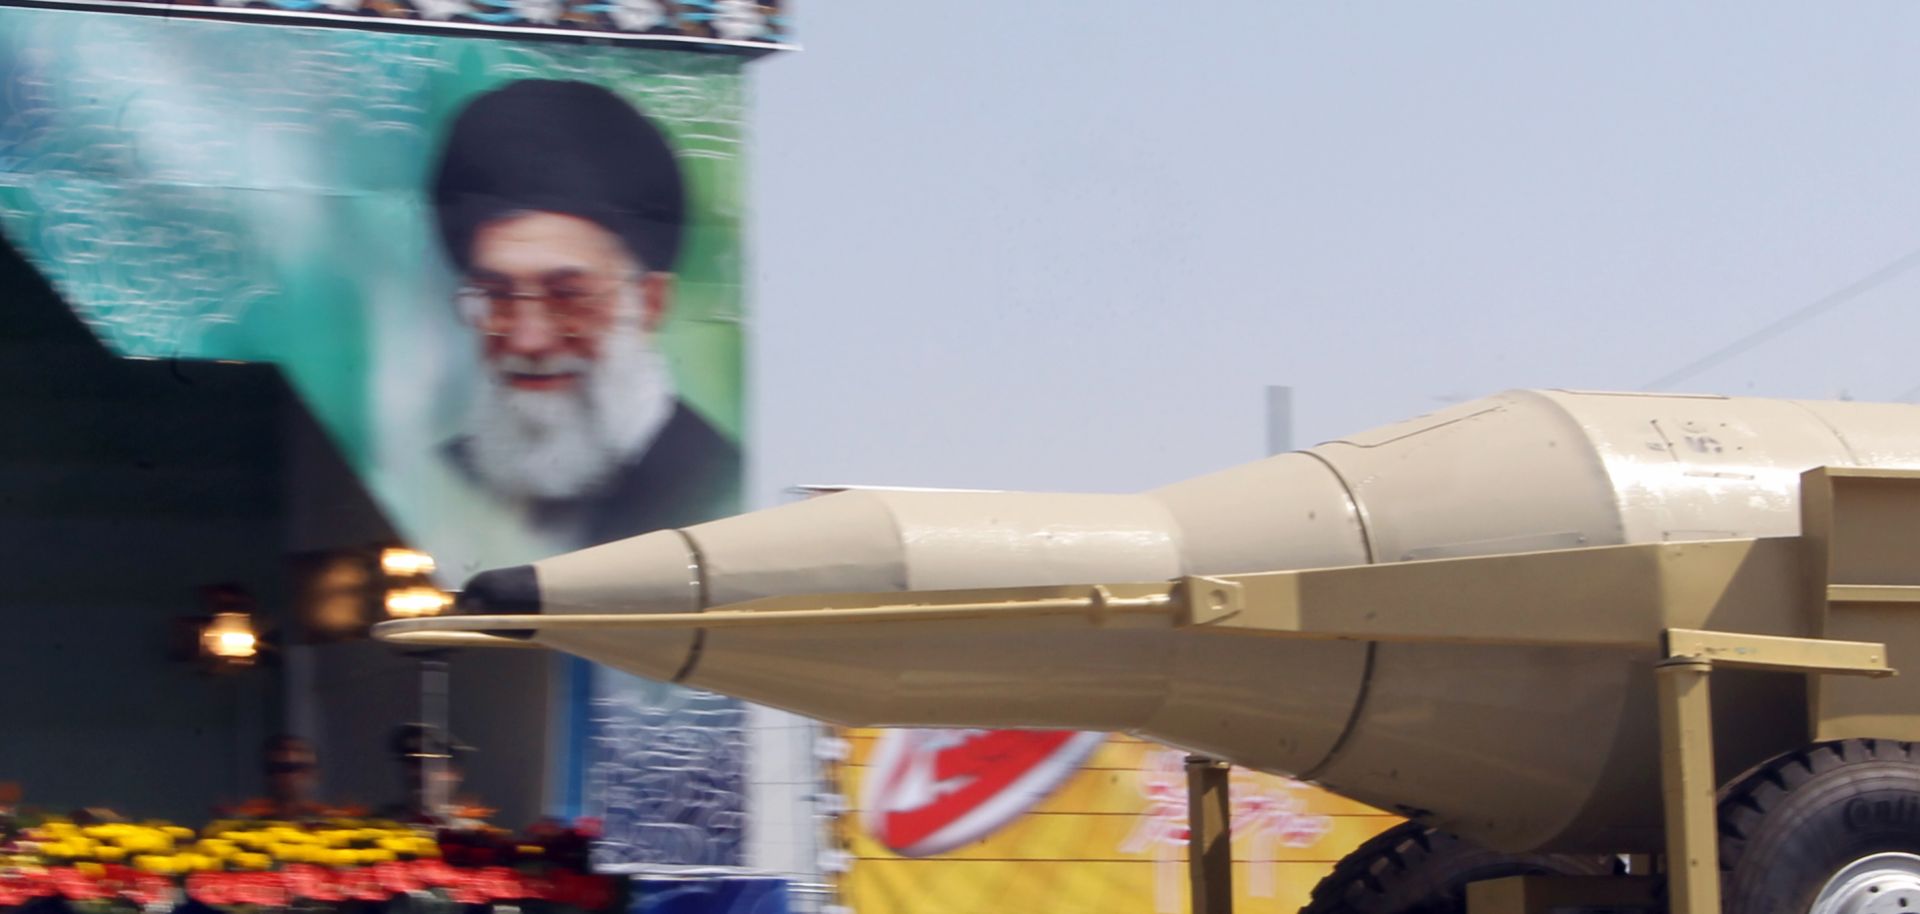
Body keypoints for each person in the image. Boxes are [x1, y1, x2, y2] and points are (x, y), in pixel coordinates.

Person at [428, 79, 740, 546]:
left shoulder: (722, 490)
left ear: (650, 303)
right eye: (497, 296)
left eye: (567, 297)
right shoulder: (440, 483)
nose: (528, 339)